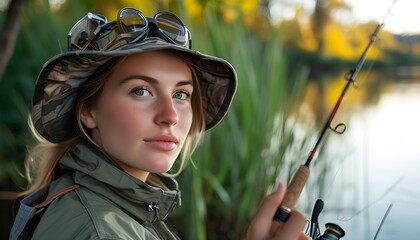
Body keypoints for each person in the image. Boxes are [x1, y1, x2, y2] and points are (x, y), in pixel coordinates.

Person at [10, 7, 309, 240]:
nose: (171, 115)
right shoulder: (103, 232)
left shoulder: (102, 202)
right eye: (141, 91)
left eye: (181, 94)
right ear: (88, 110)